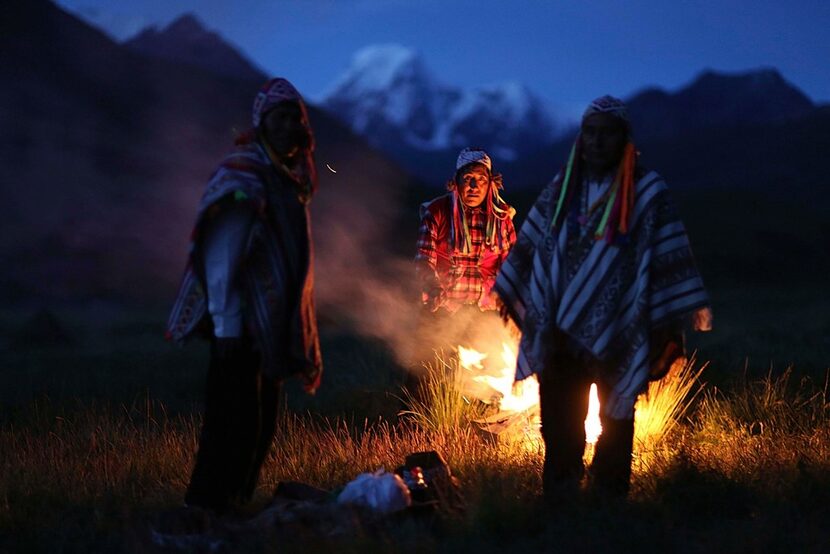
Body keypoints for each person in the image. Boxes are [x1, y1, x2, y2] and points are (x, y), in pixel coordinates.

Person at [495, 95, 713, 501]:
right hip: (559, 331)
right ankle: (561, 497)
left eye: (606, 134)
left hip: (624, 328)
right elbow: (532, 249)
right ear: (581, 138)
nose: (596, 142)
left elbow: (667, 255)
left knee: (616, 420)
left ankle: (608, 500)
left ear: (624, 139)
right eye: (589, 133)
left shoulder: (647, 191)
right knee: (560, 422)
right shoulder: (563, 188)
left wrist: (660, 321)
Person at [165, 77, 323, 513]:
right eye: (281, 117)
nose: (290, 126)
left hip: (268, 326)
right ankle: (206, 506)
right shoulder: (245, 173)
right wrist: (228, 327)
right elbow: (222, 259)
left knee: (261, 423)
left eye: (296, 118)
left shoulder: (288, 178)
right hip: (239, 324)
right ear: (262, 123)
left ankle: (235, 503)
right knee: (232, 422)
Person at [410, 148, 517, 385]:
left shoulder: (501, 219)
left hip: (485, 310)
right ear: (456, 182)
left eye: (480, 180)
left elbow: (512, 266)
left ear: (491, 184)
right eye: (467, 179)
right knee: (425, 372)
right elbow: (423, 258)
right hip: (442, 306)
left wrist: (508, 302)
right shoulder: (437, 212)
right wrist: (434, 287)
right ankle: (415, 418)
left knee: (489, 376)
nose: (473, 187)